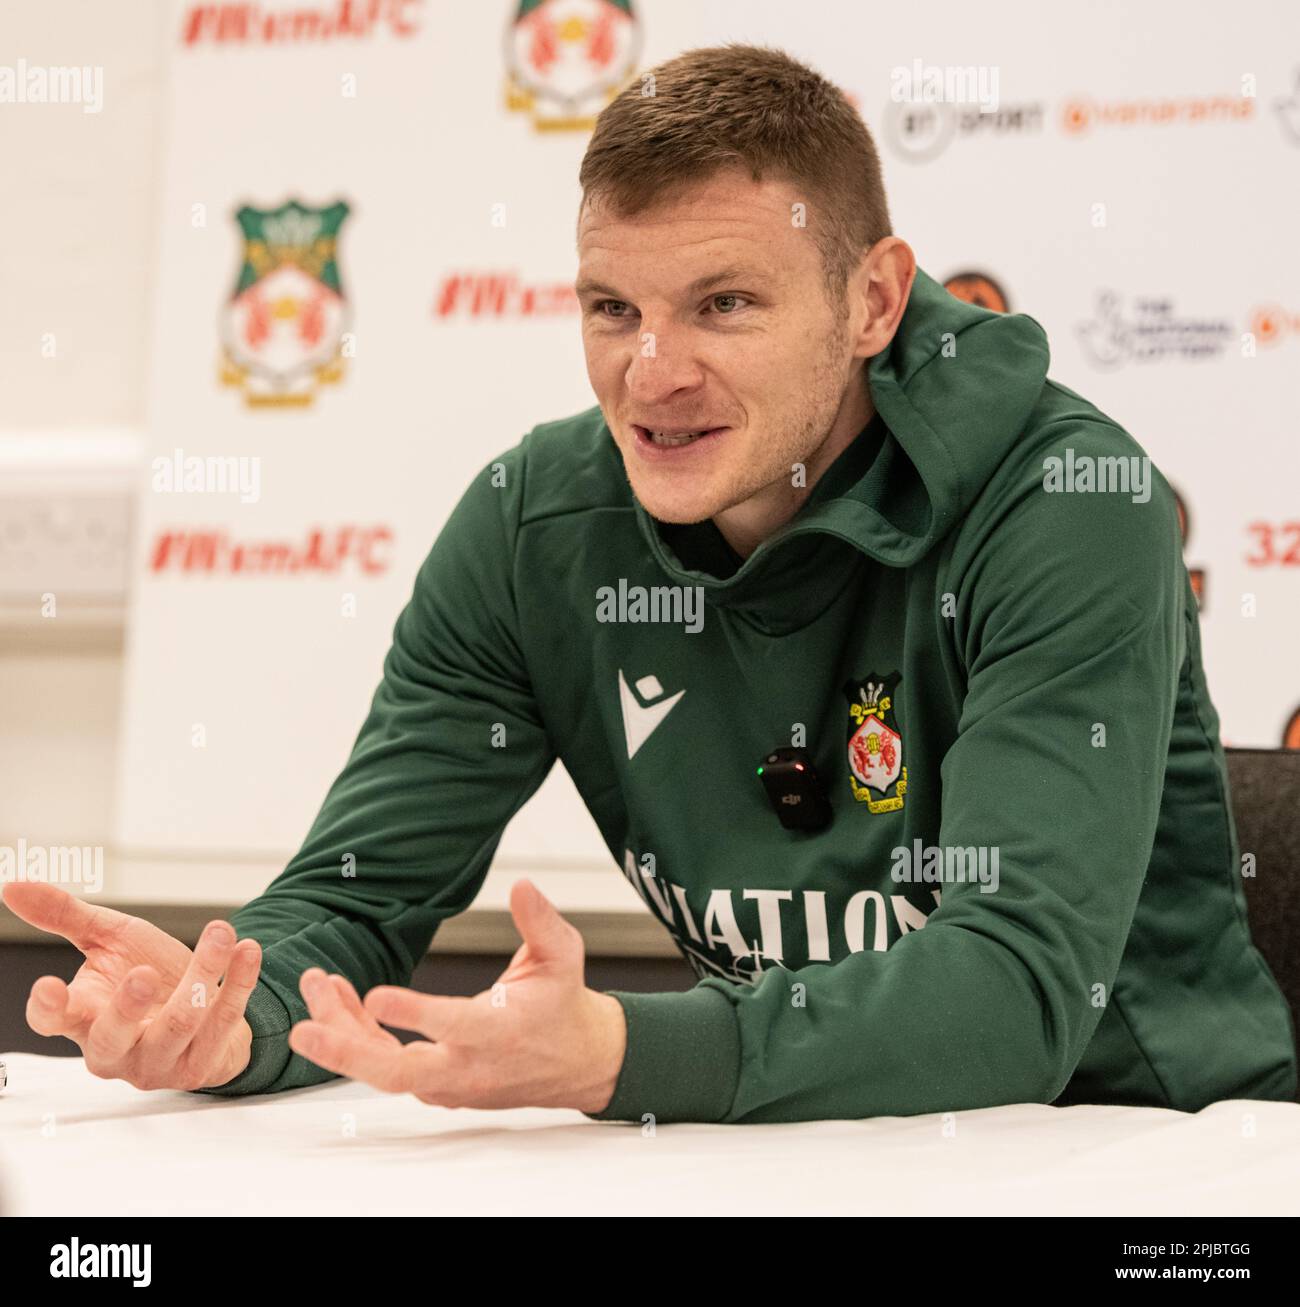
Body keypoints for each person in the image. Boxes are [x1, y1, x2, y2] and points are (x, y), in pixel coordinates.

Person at [6, 44, 1294, 1123]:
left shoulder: (1065, 505)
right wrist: (226, 1017)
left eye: (724, 303)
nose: (651, 371)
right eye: (612, 309)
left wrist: (627, 1053)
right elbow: (353, 902)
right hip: (790, 1164)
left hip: (1151, 1162)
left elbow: (1019, 993)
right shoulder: (537, 525)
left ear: (874, 301)